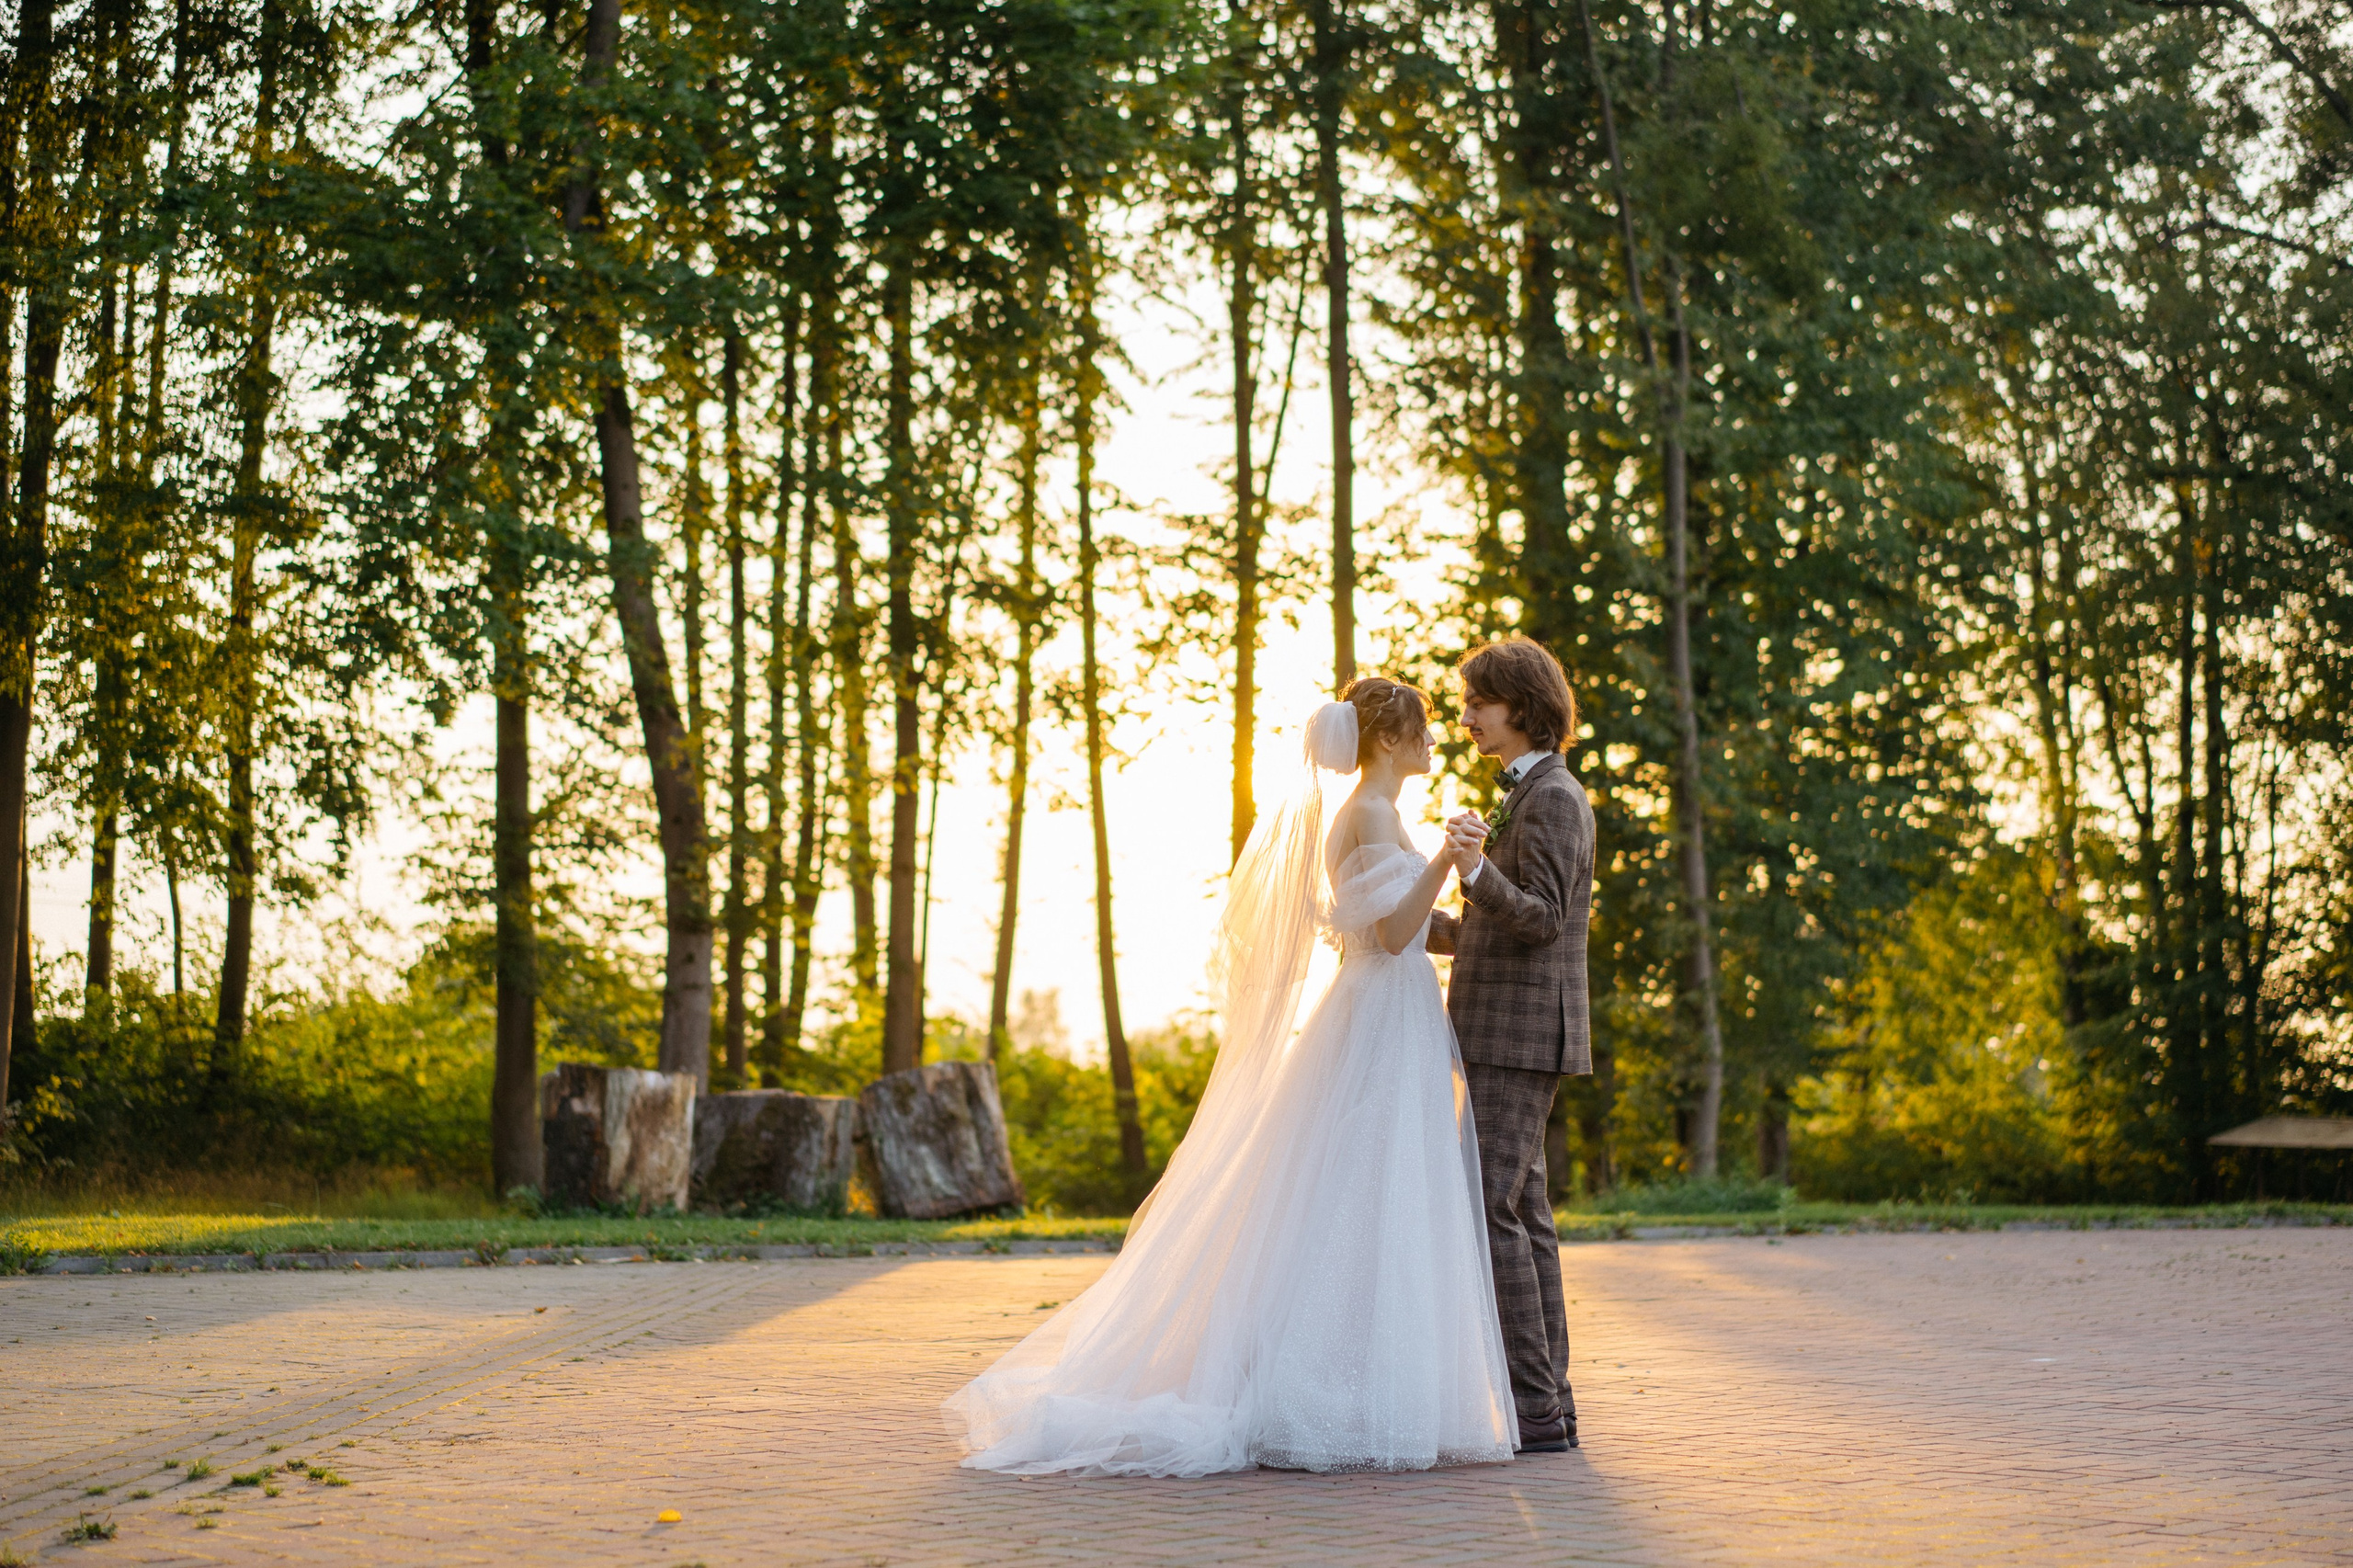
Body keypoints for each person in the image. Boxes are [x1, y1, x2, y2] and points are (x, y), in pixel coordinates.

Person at [944, 676, 1516, 1477]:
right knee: (1372, 1189)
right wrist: (1455, 861)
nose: (1434, 741)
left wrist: (1471, 893)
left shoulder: (1372, 813)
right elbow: (1392, 936)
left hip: (1385, 1014)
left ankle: (1367, 1387)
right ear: (1388, 740)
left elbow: (1401, 928)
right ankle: (1334, 1393)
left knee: (1365, 1193)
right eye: (1421, 730)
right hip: (1383, 1016)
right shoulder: (1372, 813)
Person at [1432, 638, 1597, 1454]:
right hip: (1505, 1028)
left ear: (1523, 707)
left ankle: (1534, 1408)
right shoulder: (1528, 792)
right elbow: (1497, 930)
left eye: (1479, 703)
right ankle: (1548, 1407)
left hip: (1518, 1035)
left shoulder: (1554, 797)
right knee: (1523, 1214)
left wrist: (1472, 871)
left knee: (1492, 1210)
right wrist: (1402, 919)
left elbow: (1544, 919)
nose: (1466, 717)